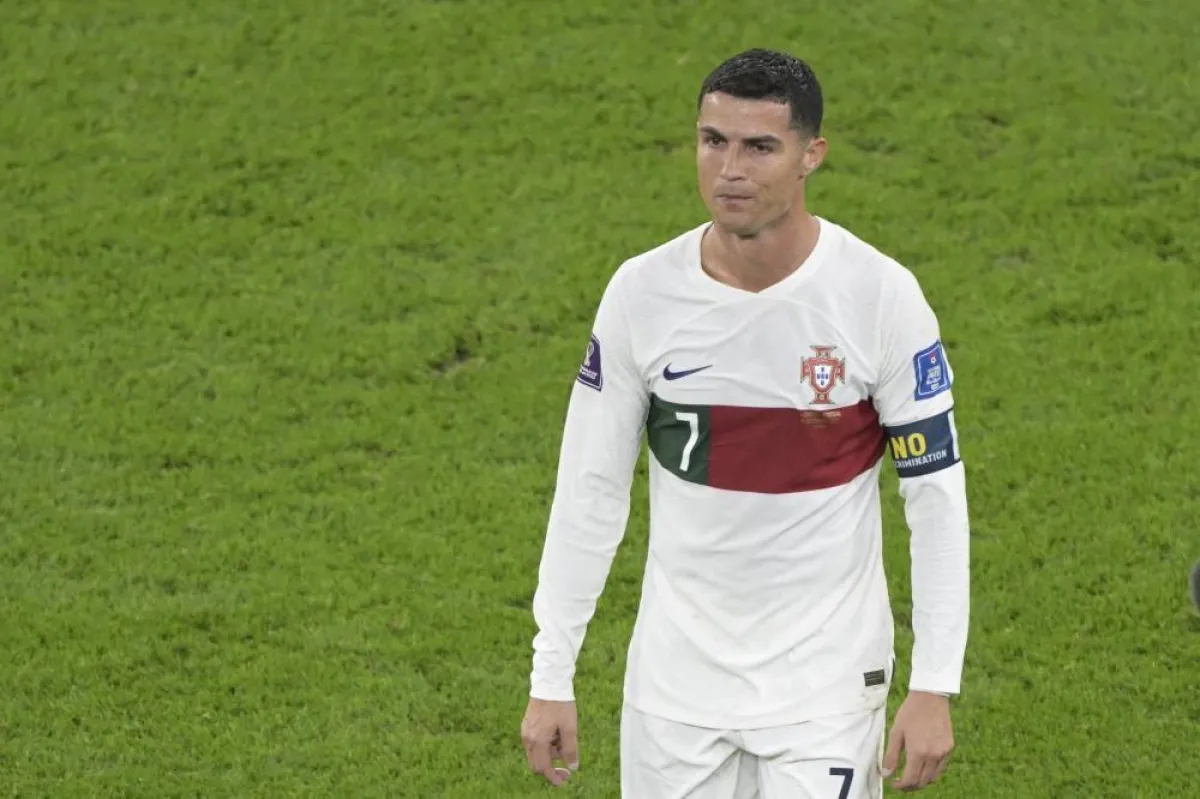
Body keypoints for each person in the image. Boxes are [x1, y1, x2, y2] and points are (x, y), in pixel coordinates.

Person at [520, 48, 970, 798]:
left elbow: (936, 499)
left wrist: (934, 683)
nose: (730, 168)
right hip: (674, 692)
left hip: (823, 690)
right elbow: (589, 490)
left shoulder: (880, 298)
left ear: (810, 156)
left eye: (759, 146)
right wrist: (550, 671)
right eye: (712, 140)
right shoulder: (642, 294)